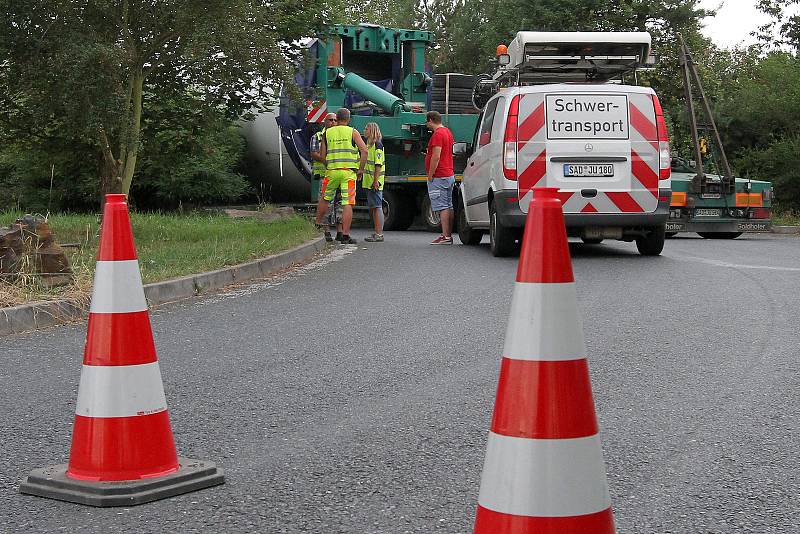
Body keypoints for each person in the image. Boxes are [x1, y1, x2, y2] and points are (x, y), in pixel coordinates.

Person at [315, 108, 368, 245]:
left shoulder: (327, 133)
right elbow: (364, 151)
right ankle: (345, 235)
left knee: (325, 198)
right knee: (347, 203)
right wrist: (360, 170)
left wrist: (331, 163)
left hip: (332, 171)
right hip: (348, 173)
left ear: (337, 119)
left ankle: (317, 224)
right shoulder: (353, 132)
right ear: (349, 119)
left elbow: (321, 156)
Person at [425, 110, 455, 245]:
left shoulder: (438, 134)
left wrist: (430, 174)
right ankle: (449, 234)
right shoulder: (447, 132)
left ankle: (445, 236)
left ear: (431, 120)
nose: (426, 125)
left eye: (427, 122)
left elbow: (436, 156)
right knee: (448, 205)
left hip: (439, 175)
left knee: (442, 206)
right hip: (448, 174)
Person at [362, 122, 385, 242]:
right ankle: (377, 232)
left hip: (374, 181)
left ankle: (379, 234)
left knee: (377, 207)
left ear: (372, 131)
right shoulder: (369, 145)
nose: (364, 130)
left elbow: (378, 164)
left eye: (367, 128)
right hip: (369, 181)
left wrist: (376, 181)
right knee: (374, 207)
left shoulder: (378, 145)